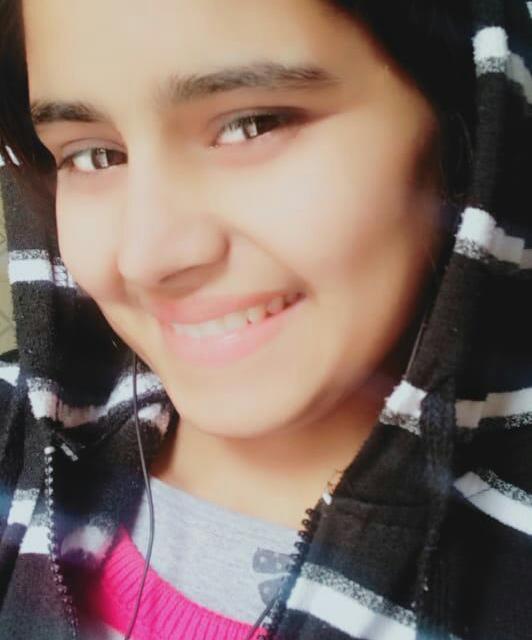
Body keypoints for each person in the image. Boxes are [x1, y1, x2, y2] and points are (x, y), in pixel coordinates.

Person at [0, 0, 531, 638]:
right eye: (94, 156)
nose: (147, 256)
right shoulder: (15, 433)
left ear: (467, 118)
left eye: (253, 125)